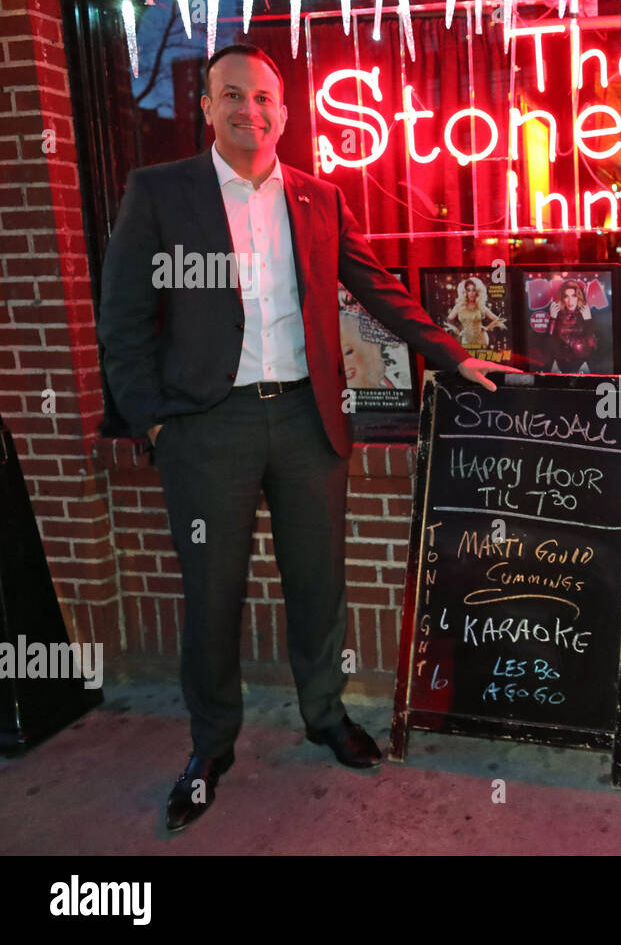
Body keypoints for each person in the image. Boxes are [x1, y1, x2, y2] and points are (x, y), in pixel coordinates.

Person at [97, 44, 519, 834]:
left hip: (305, 417)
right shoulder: (161, 193)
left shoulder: (317, 197)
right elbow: (121, 314)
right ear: (206, 107)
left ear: (284, 111)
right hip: (206, 427)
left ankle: (324, 714)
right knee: (212, 596)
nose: (248, 111)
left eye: (263, 97)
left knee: (318, 582)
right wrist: (152, 416)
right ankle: (210, 746)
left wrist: (451, 355)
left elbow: (373, 282)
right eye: (231, 96)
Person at [546, 280, 597, 372]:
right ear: (562, 298)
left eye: (573, 296)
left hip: (581, 364)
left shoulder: (585, 313)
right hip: (560, 363)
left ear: (578, 297)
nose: (570, 301)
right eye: (566, 297)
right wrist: (552, 319)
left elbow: (592, 344)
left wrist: (588, 320)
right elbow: (548, 343)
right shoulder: (557, 314)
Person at [444, 275, 505, 351]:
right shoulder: (459, 306)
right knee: (468, 362)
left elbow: (498, 319)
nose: (471, 293)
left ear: (478, 291)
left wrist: (487, 328)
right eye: (468, 290)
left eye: (474, 290)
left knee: (480, 362)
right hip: (466, 340)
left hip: (481, 340)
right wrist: (456, 329)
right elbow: (448, 320)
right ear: (464, 292)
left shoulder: (480, 305)